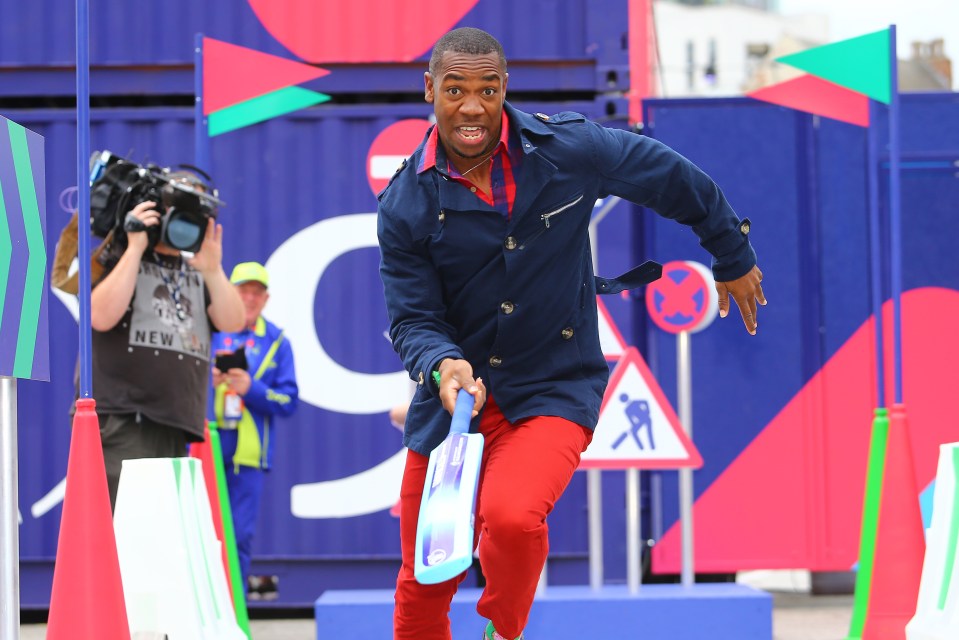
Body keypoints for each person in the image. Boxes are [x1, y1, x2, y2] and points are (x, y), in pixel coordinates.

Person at [376, 27, 766, 640]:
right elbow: (413, 318)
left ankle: (501, 633)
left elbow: (667, 175)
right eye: (455, 90)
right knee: (422, 584)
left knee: (510, 520)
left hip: (551, 388)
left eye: (487, 88)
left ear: (505, 88)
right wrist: (443, 364)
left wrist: (731, 251)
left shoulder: (568, 151)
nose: (472, 106)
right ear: (430, 89)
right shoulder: (404, 203)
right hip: (455, 412)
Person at [88, 171, 245, 510]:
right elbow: (99, 316)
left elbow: (233, 321)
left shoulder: (198, 269)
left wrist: (213, 270)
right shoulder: (123, 253)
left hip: (174, 423)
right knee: (128, 533)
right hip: (124, 419)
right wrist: (135, 246)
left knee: (157, 539)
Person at [210, 261, 299, 598]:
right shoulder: (210, 329)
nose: (248, 298)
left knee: (239, 536)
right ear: (229, 293)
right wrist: (211, 381)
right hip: (207, 445)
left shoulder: (277, 341)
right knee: (202, 530)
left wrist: (253, 388)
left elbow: (288, 401)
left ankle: (233, 614)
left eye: (255, 292)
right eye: (242, 291)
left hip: (250, 453)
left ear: (266, 298)